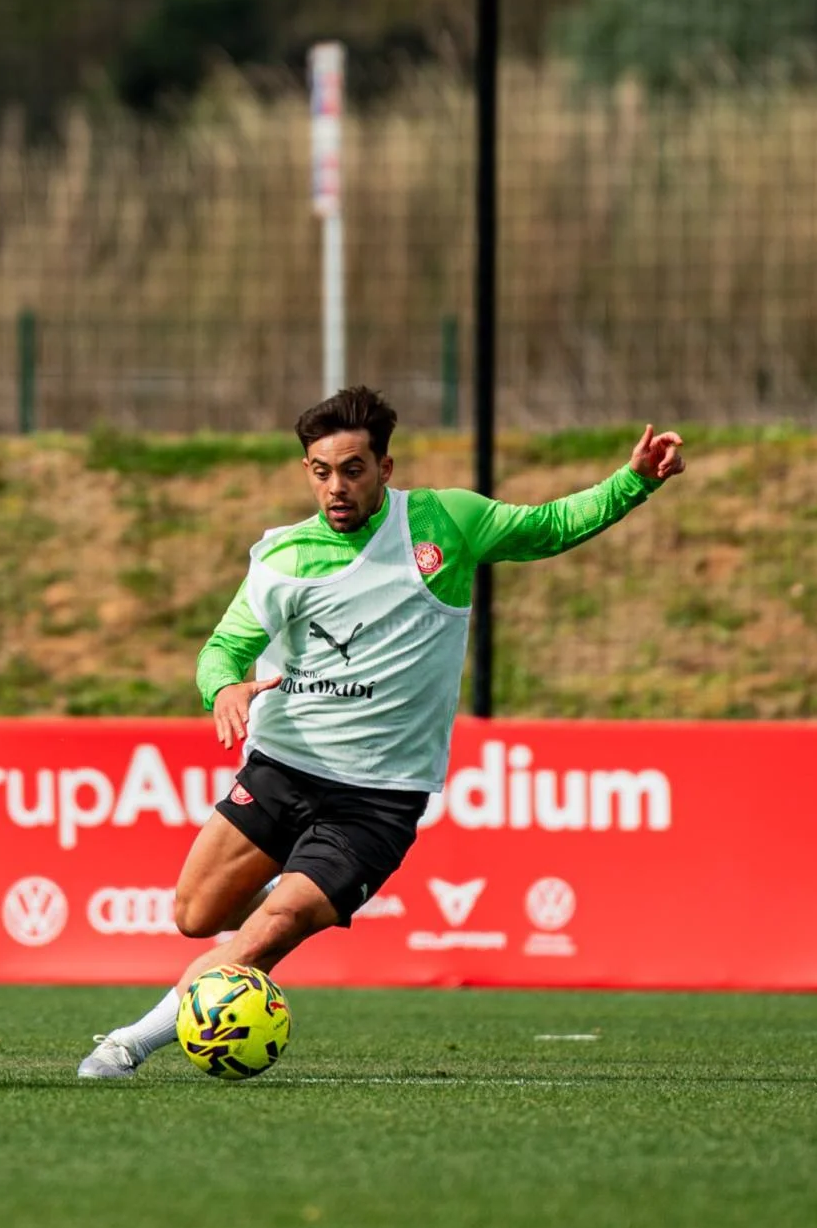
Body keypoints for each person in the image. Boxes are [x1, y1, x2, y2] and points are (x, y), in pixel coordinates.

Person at [77, 387, 684, 1078]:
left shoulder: (445, 522)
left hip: (378, 798)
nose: (336, 486)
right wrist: (224, 688)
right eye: (321, 471)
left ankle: (130, 1043)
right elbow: (222, 648)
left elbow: (550, 525)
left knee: (268, 931)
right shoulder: (284, 557)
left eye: (353, 469)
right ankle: (303, 900)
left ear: (386, 469)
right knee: (193, 913)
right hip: (283, 767)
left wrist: (633, 482)